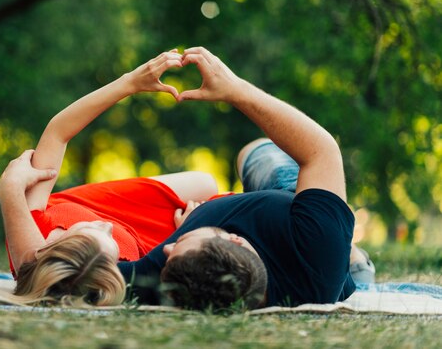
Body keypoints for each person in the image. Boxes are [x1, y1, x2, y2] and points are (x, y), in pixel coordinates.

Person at [118, 46, 367, 311]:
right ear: (235, 239)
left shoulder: (178, 273)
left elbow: (84, 274)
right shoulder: (315, 254)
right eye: (180, 241)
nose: (166, 249)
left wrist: (185, 232)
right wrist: (235, 90)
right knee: (255, 151)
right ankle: (354, 259)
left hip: (273, 220)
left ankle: (350, 253)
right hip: (290, 202)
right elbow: (321, 151)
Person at [0, 50, 218, 306]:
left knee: (205, 182)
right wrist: (187, 235)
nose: (107, 225)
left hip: (116, 207)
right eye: (114, 255)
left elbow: (58, 132)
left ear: (49, 248)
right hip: (160, 239)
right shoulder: (126, 277)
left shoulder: (33, 242)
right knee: (224, 196)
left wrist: (130, 83)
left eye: (92, 229)